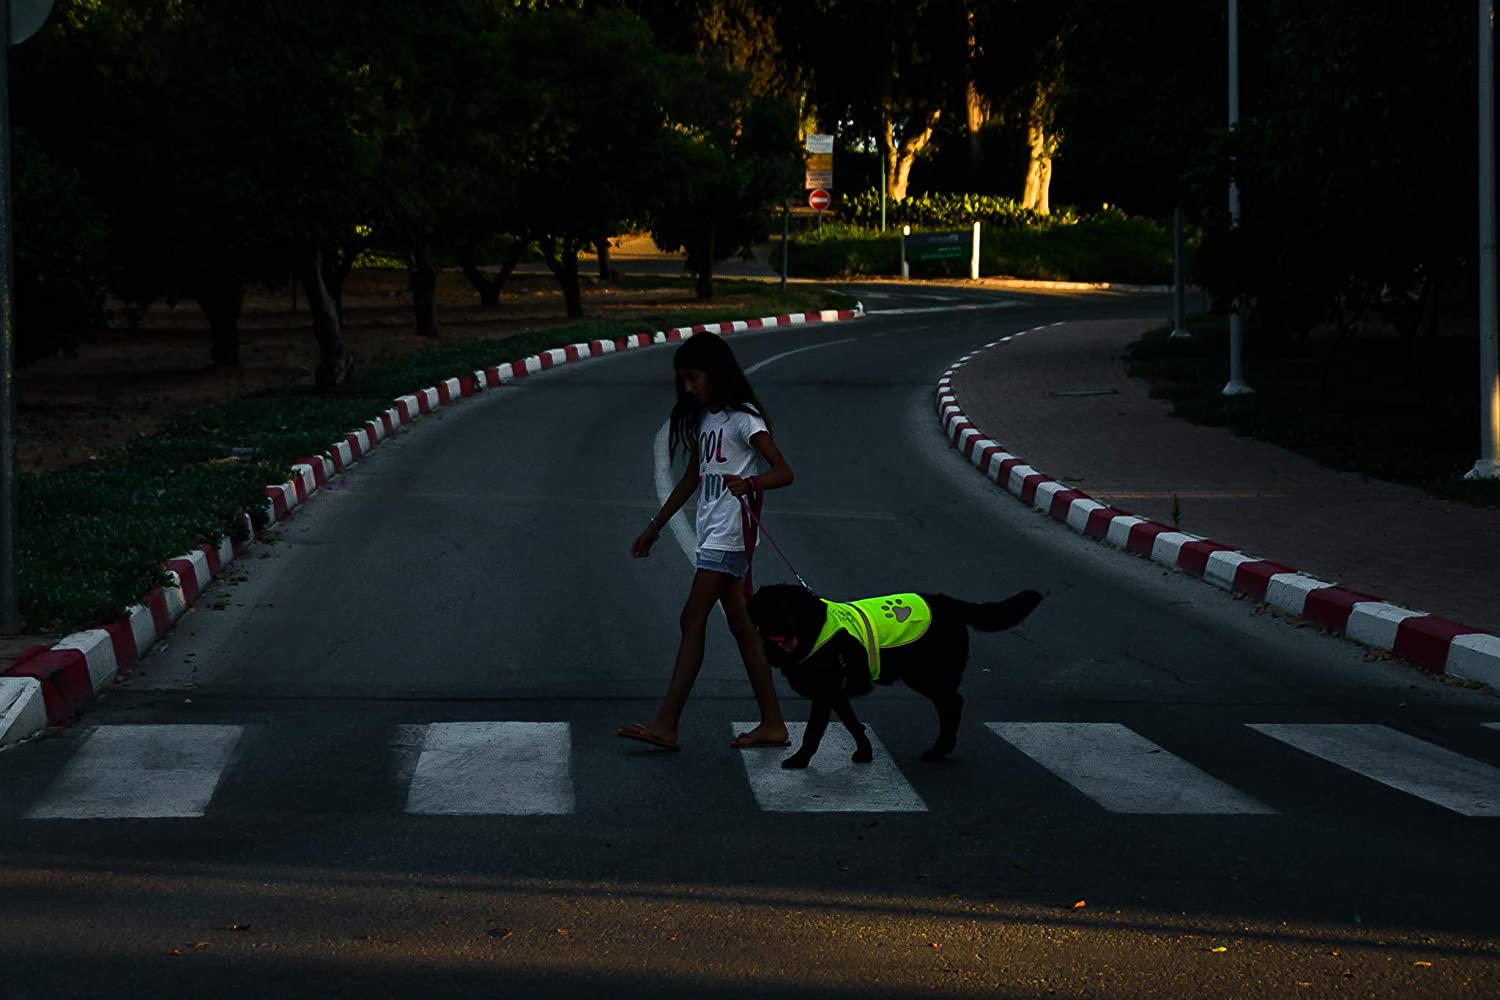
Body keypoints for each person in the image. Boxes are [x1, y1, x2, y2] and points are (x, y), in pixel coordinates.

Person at [618, 332, 793, 752]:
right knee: (743, 627)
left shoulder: (743, 419)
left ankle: (667, 723)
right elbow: (692, 479)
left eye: (694, 378)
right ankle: (773, 724)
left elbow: (784, 471)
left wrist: (751, 482)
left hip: (731, 534)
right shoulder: (707, 420)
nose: (688, 388)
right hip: (712, 530)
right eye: (684, 380)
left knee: (690, 619)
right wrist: (654, 526)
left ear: (716, 374)